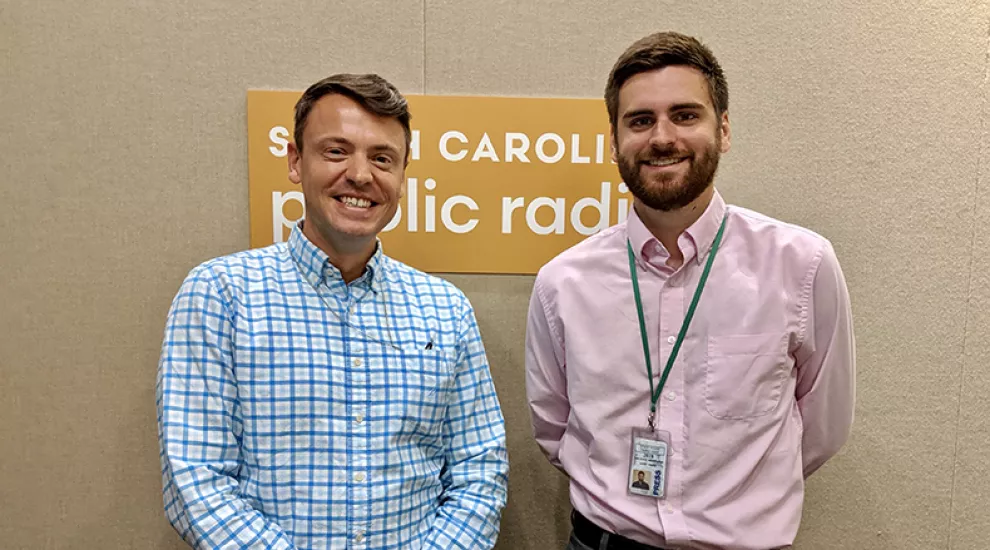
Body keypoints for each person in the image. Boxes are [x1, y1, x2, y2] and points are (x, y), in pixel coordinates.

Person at [525, 32, 855, 550]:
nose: (662, 137)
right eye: (640, 120)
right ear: (613, 142)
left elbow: (823, 427)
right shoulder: (563, 283)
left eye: (685, 115)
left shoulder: (802, 265)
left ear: (722, 129)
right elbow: (553, 426)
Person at [157, 73, 508, 550]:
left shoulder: (445, 309)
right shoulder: (221, 295)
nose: (361, 175)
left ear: (403, 175)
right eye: (336, 151)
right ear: (295, 161)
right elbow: (195, 478)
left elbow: (479, 470)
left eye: (382, 158)